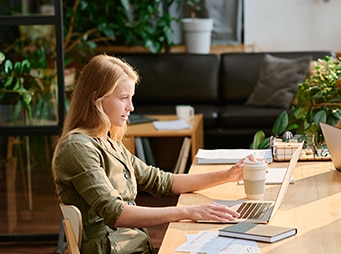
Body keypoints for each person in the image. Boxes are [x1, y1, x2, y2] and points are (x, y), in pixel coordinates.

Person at [51, 54, 264, 254]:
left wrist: (227, 175)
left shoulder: (108, 141)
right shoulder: (77, 147)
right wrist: (188, 212)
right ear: (96, 98)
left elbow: (161, 181)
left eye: (131, 97)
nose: (131, 107)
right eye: (123, 98)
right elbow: (115, 213)